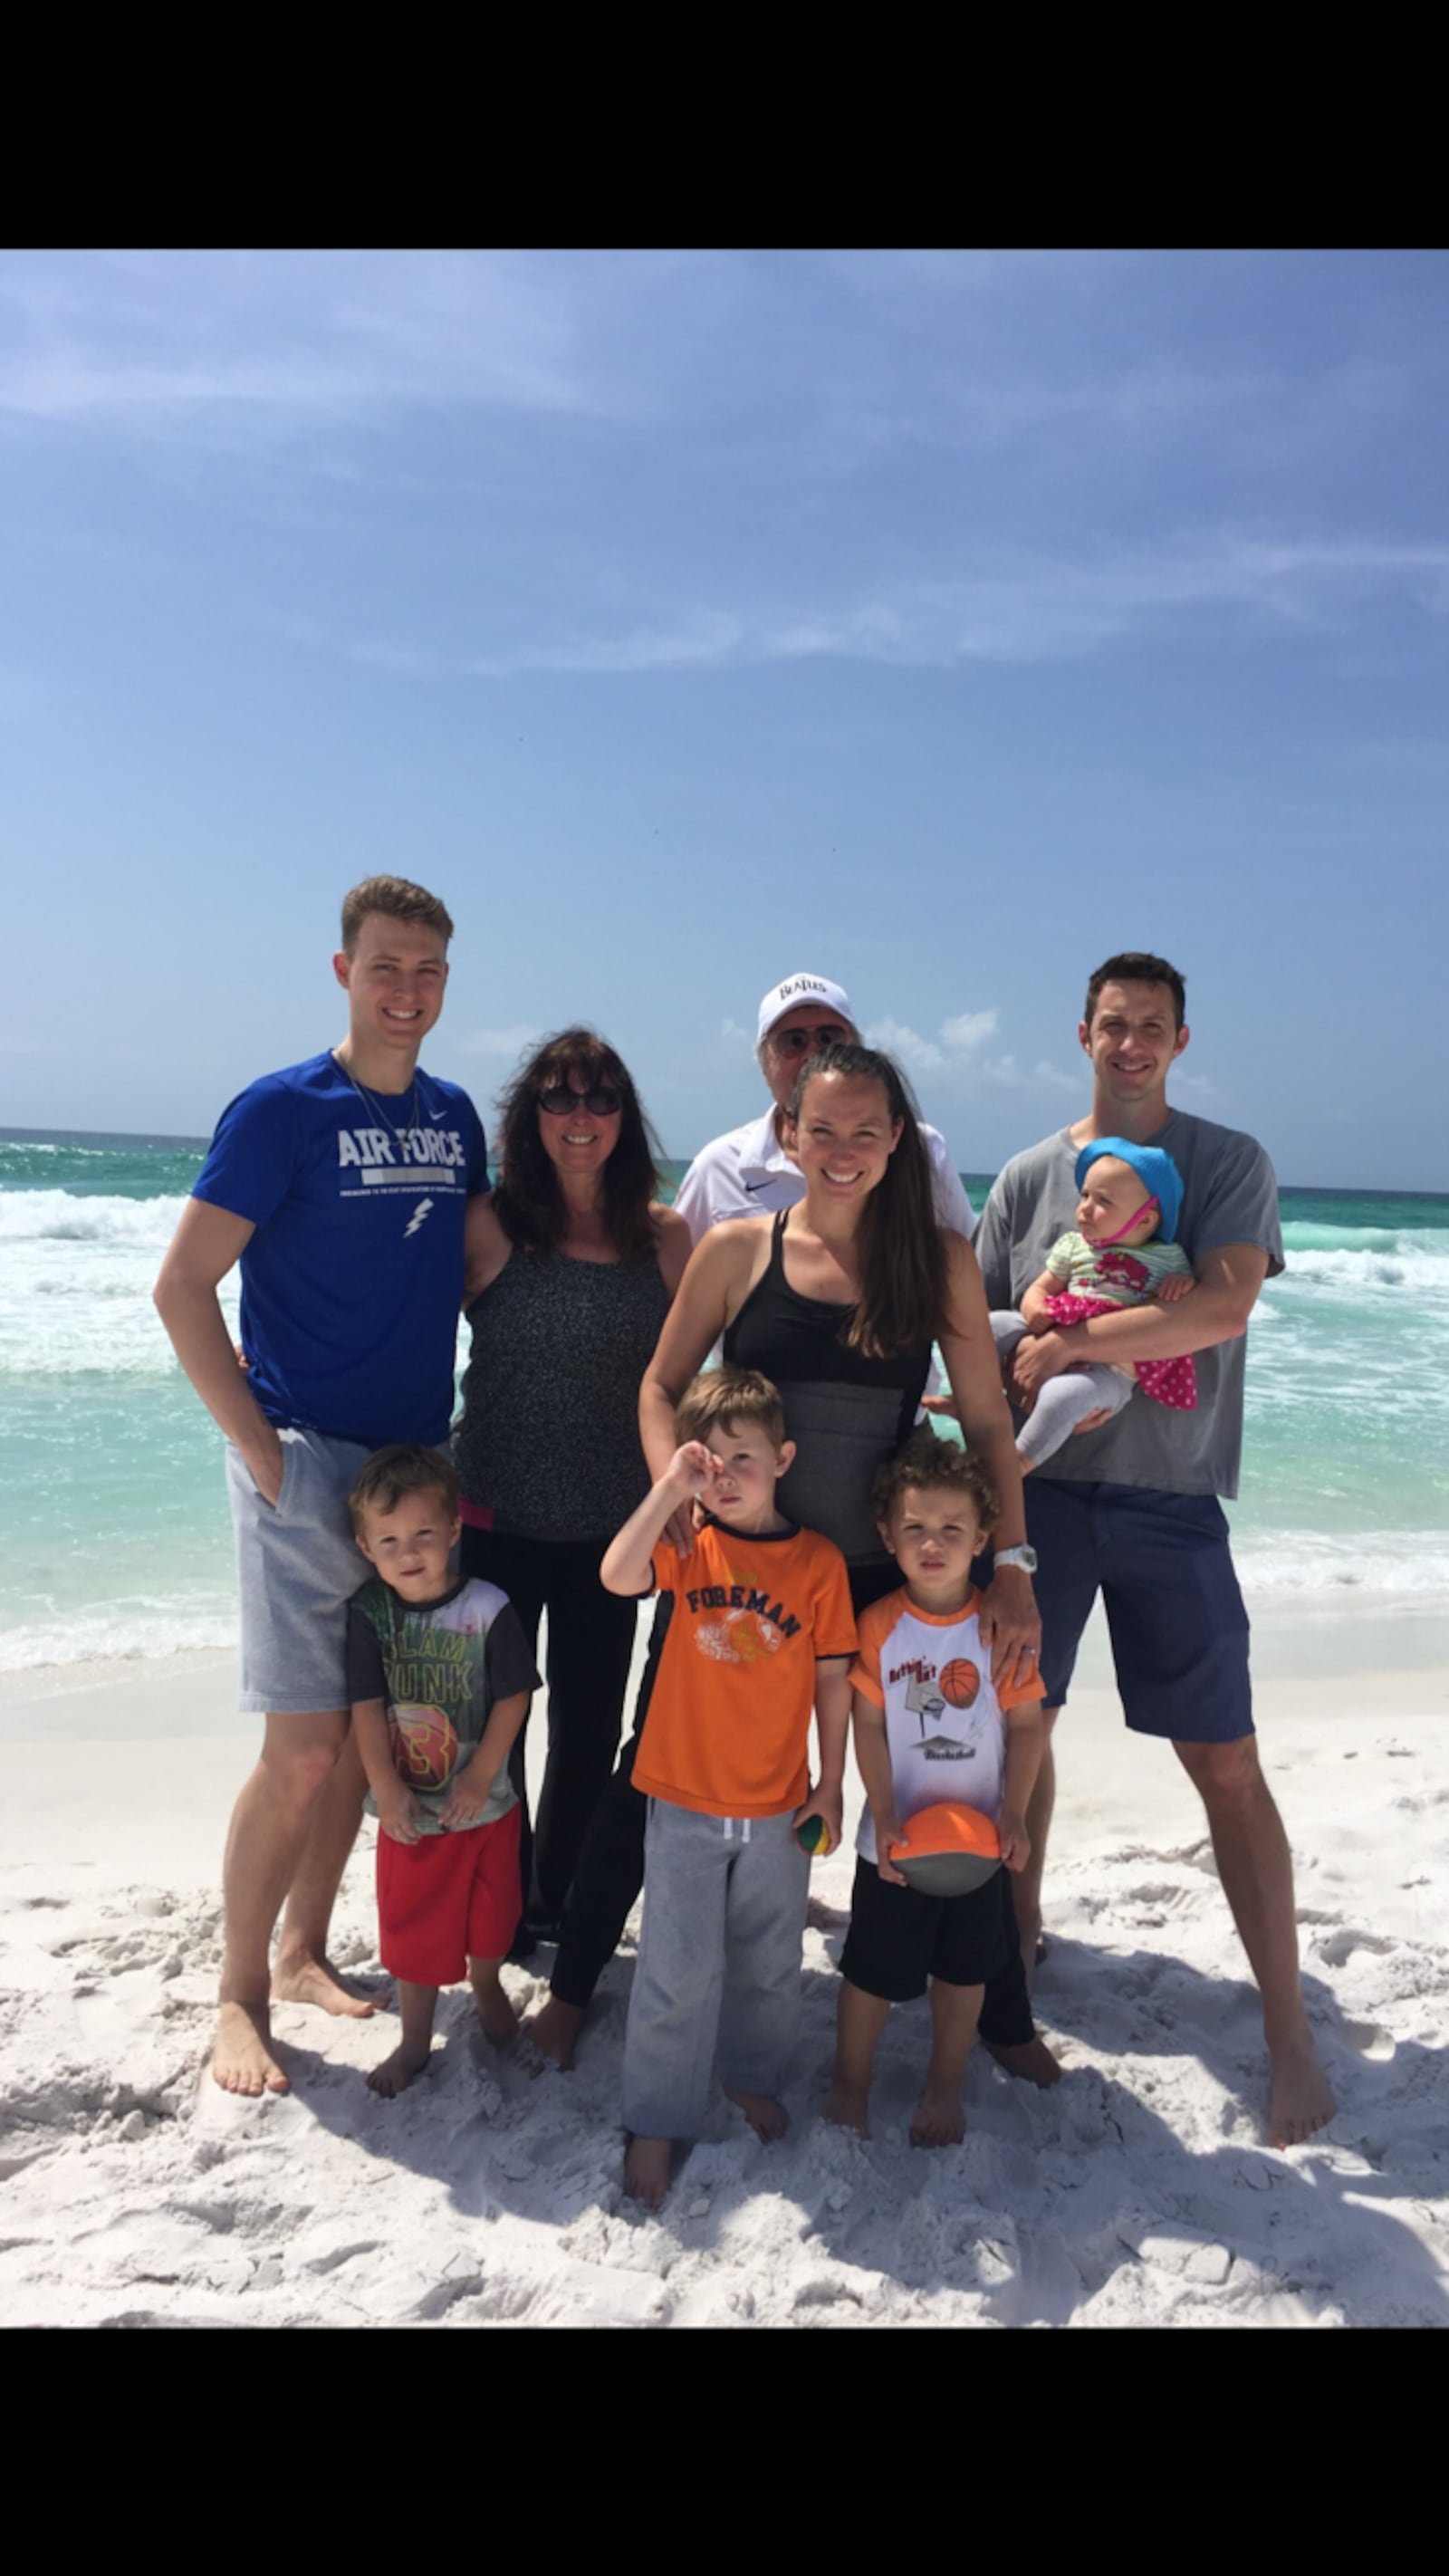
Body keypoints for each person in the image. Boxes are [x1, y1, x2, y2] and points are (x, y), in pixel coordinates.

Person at [531, 1042, 1057, 2088]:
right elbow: (660, 1387)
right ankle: (574, 1987)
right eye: (822, 1129)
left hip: (883, 1577)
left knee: (945, 1769)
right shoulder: (738, 1248)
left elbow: (992, 1424)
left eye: (867, 1130)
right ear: (788, 1135)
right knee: (655, 1764)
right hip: (739, 1567)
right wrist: (676, 1500)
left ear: (897, 1139)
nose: (844, 1149)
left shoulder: (939, 1258)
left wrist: (1014, 1563)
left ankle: (1002, 2016)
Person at [974, 950, 1336, 2148]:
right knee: (1023, 1732)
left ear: (1181, 1041)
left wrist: (1081, 1344)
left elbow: (1222, 1305)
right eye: (1113, 1025)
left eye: (1153, 1028)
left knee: (1223, 1761)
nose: (1131, 1043)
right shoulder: (1029, 1178)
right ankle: (1013, 1965)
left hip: (1174, 1504)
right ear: (1082, 1032)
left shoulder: (1228, 1164)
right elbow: (977, 1341)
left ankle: (1287, 2033)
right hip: (1044, 1507)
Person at [153, 876, 491, 2098]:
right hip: (305, 1461)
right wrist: (259, 1450)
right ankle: (238, 1994)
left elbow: (474, 1267)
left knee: (363, 1749)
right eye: (388, 967)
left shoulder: (456, 1119)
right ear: (344, 972)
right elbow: (182, 1287)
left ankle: (303, 1951)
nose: (410, 992)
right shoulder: (282, 1110)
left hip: (418, 1474)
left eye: (431, 973)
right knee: (298, 1754)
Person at [452, 1029, 691, 1946]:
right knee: (495, 1730)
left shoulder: (666, 1238)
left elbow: (702, 1378)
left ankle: (553, 1902)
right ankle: (500, 1907)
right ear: (531, 1117)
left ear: (623, 1119)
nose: (579, 1118)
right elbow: (398, 1327)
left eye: (598, 1100)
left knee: (589, 1733)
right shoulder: (490, 1224)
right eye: (559, 1098)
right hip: (494, 1517)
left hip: (612, 1535)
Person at [600, 1368, 856, 2208]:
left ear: (783, 1458)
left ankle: (749, 2078)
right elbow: (615, 1575)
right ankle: (657, 2119)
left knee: (769, 1964)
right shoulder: (685, 1543)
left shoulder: (818, 1563)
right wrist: (670, 1487)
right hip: (681, 1795)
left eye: (745, 1458)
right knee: (675, 1968)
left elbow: (831, 1683)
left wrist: (830, 1784)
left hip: (780, 1804)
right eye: (711, 1462)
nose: (728, 1476)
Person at [825, 1435, 1045, 2147]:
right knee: (869, 1972)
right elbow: (867, 1722)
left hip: (978, 1844)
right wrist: (883, 1813)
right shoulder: (880, 1626)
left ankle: (943, 2089)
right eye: (915, 1528)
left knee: (963, 1974)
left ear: (983, 1537)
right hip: (893, 1844)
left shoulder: (998, 1630)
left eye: (952, 1530)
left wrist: (1013, 1810)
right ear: (887, 1533)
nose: (932, 1543)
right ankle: (850, 2083)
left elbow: (1028, 1727)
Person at [345, 1445, 540, 2097]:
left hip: (487, 1805)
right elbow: (366, 1705)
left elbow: (516, 1693)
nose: (409, 1551)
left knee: (493, 1918)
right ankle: (413, 2040)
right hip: (412, 1815)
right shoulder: (371, 1614)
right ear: (365, 1546)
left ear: (455, 1530)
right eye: (390, 1539)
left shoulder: (487, 1606)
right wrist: (386, 1786)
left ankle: (485, 1986)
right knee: (412, 1929)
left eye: (424, 1534)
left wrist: (483, 1772)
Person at [673, 969, 977, 1242]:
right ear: (765, 1062)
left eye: (829, 1038)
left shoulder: (925, 1151)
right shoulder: (718, 1168)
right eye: (793, 1041)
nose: (812, 1055)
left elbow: (966, 1269)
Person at [990, 1139, 1199, 1467]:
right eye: (1084, 1195)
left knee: (1062, 1398)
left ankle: (1015, 1467)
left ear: (1145, 1219)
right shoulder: (1074, 1246)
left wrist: (1182, 1284)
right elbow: (1040, 1289)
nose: (1084, 1207)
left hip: (1111, 1370)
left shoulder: (1168, 1258)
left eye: (1103, 1200)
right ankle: (980, 1402)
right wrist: (1034, 1310)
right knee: (989, 1325)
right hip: (1052, 1332)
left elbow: (1174, 1318)